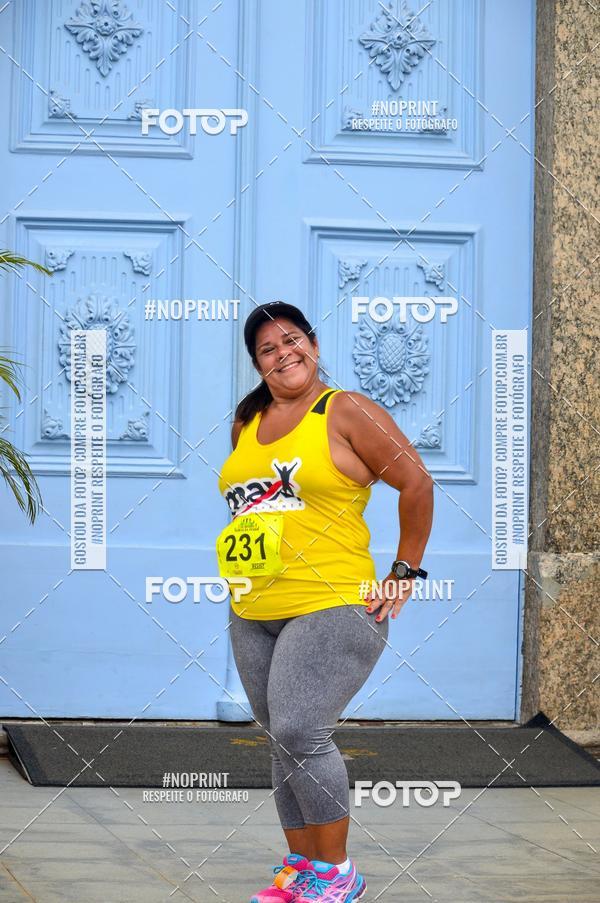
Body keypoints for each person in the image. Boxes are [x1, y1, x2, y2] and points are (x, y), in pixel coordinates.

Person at [217, 302, 433, 902]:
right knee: (280, 737)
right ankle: (303, 868)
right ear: (256, 364)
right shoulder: (246, 424)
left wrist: (404, 572)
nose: (283, 353)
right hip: (254, 607)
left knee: (301, 728)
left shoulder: (346, 410)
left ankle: (338, 873)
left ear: (312, 343)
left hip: (334, 600)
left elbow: (415, 481)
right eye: (267, 348)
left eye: (291, 340)